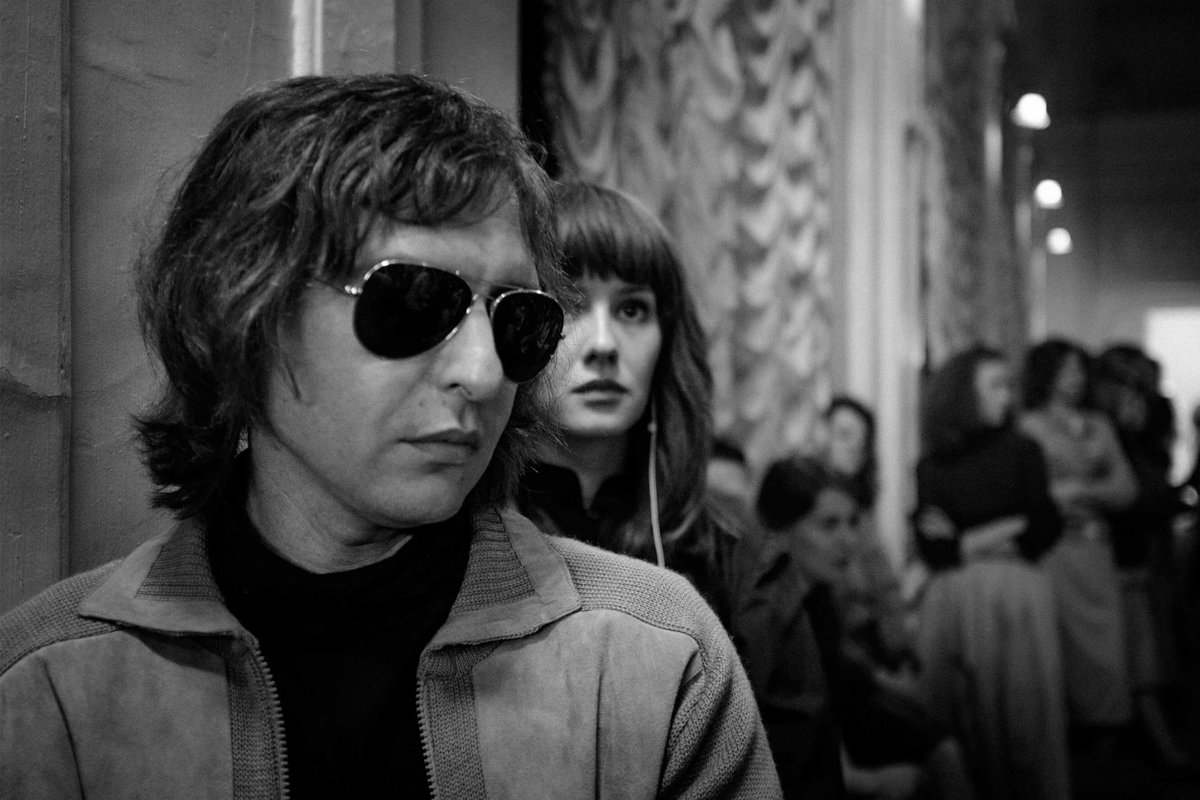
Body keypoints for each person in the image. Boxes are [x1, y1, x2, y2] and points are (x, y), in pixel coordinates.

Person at [0, 74, 781, 798]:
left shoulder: (659, 662)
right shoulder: (47, 694)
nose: (483, 373)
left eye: (518, 319)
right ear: (246, 315)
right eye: (414, 302)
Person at [516, 180, 841, 797]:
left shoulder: (743, 564)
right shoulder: (462, 543)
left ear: (666, 340)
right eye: (570, 303)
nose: (604, 345)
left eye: (632, 310)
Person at [758, 455, 973, 800]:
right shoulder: (765, 613)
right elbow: (780, 733)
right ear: (780, 531)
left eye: (852, 523)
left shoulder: (818, 598)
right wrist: (868, 782)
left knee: (945, 749)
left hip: (837, 727)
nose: (849, 539)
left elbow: (836, 682)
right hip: (791, 767)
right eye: (829, 525)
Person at [912, 344, 1070, 800]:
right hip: (954, 601)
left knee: (1027, 724)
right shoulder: (933, 464)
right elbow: (935, 549)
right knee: (962, 721)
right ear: (963, 394)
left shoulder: (1024, 451)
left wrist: (965, 538)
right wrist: (1006, 526)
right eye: (995, 385)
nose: (1007, 396)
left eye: (1009, 385)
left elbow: (1042, 528)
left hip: (1019, 598)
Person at [1019, 338, 1138, 751]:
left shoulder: (1099, 424)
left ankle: (1106, 730)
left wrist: (1081, 491)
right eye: (1066, 369)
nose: (1076, 378)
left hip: (1097, 549)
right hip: (1056, 550)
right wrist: (1079, 492)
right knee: (1060, 641)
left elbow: (1126, 489)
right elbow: (1033, 493)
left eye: (1079, 369)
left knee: (1107, 646)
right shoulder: (1029, 426)